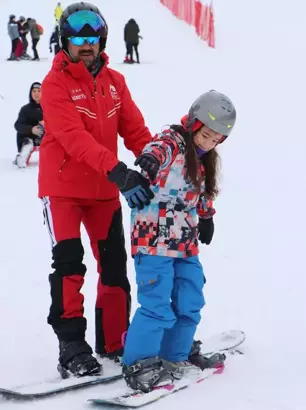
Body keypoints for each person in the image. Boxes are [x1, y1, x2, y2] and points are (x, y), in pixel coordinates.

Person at [39, 2, 154, 379]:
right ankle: (71, 345)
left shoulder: (115, 82)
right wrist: (119, 172)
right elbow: (73, 138)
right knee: (70, 266)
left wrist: (156, 160)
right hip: (64, 191)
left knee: (115, 269)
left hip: (104, 192)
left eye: (92, 37)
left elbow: (135, 129)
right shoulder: (55, 85)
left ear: (102, 39)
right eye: (77, 39)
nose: (86, 45)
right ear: (64, 42)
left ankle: (115, 340)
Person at [121, 90, 237, 392]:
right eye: (207, 135)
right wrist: (147, 160)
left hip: (184, 240)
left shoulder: (203, 160)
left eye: (216, 140)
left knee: (190, 299)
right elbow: (157, 149)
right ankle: (139, 364)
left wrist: (207, 216)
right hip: (153, 237)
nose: (209, 143)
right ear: (194, 123)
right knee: (157, 303)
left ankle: (175, 355)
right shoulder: (173, 142)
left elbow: (200, 192)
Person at [14, 82, 44, 168]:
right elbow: (18, 125)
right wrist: (31, 129)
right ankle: (21, 159)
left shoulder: (49, 107)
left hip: (44, 138)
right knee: (28, 144)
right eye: (34, 91)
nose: (36, 93)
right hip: (28, 139)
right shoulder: (25, 109)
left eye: (39, 91)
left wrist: (47, 124)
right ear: (31, 93)